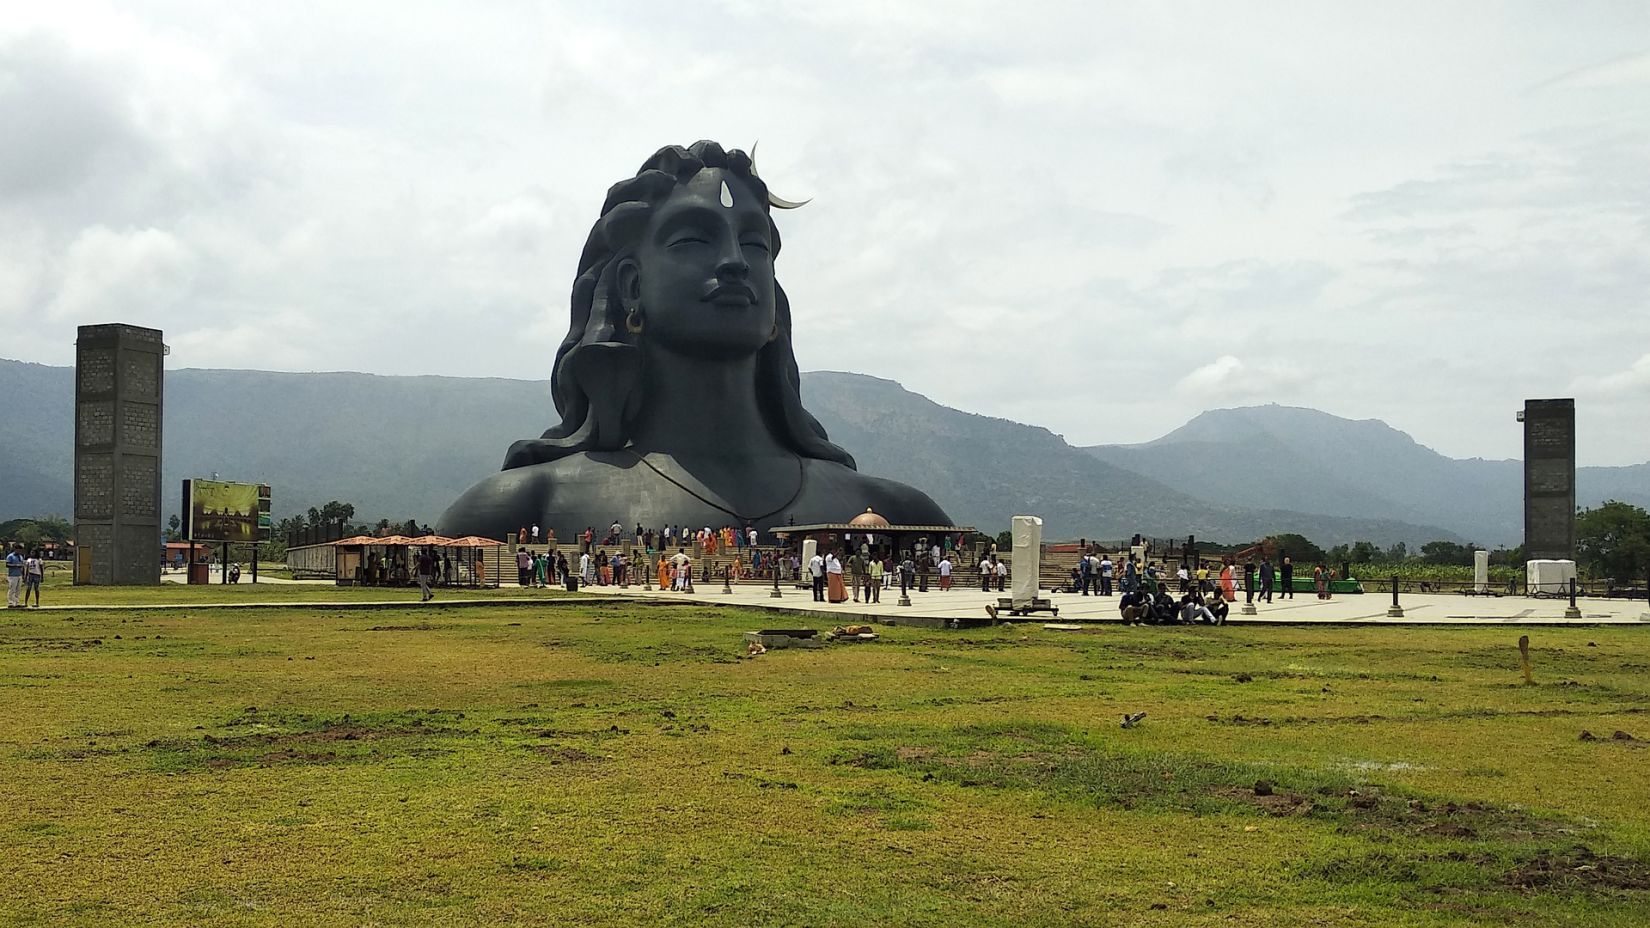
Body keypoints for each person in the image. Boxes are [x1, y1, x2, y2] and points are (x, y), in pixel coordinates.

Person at [7, 543, 26, 607]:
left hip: (19, 575)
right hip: (12, 575)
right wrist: (16, 565)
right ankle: (10, 602)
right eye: (19, 550)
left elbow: (22, 566)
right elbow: (7, 564)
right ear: (15, 549)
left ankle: (16, 602)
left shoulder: (21, 556)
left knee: (18, 589)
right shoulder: (10, 556)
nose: (20, 551)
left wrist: (23, 575)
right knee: (12, 588)